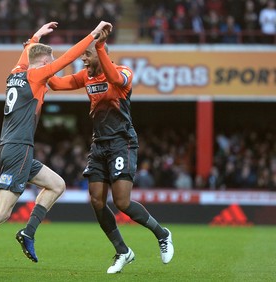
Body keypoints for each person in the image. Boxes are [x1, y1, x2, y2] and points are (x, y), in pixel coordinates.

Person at [0, 20, 112, 275]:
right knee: (1, 211)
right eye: (49, 62)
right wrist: (92, 35)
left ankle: (28, 232)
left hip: (13, 147)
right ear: (44, 64)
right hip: (19, 149)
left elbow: (27, 56)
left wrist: (35, 37)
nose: (52, 68)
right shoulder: (37, 74)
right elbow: (68, 58)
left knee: (57, 185)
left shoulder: (16, 73)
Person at [48, 27, 174, 274]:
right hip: (99, 144)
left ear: (99, 52)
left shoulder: (123, 73)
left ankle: (162, 234)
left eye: (87, 55)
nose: (83, 60)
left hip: (122, 142)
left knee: (122, 202)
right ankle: (123, 251)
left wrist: (99, 47)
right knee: (96, 200)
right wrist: (46, 63)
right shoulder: (86, 76)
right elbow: (55, 84)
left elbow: (116, 80)